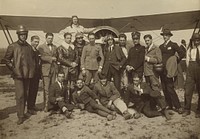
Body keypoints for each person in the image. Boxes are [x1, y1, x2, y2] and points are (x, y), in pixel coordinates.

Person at [4, 25, 36, 125]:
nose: (23, 36)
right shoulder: (13, 46)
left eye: (25, 35)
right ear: (18, 35)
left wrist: (32, 70)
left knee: (25, 94)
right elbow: (6, 60)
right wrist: (14, 69)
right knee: (20, 95)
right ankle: (20, 116)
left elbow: (32, 60)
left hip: (27, 74)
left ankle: (23, 112)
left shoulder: (29, 47)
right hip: (18, 75)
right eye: (21, 35)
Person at [159, 29, 185, 114]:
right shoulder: (161, 46)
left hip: (169, 71)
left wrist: (175, 60)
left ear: (169, 36)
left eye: (166, 35)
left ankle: (178, 106)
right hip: (162, 70)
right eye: (164, 35)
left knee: (170, 88)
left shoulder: (173, 45)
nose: (165, 37)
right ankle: (169, 105)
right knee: (164, 88)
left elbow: (182, 53)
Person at [38, 33, 58, 112]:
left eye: (51, 38)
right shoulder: (41, 47)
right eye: (49, 38)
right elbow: (42, 57)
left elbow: (56, 56)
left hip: (53, 70)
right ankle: (46, 106)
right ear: (46, 38)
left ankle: (52, 105)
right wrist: (51, 58)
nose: (50, 39)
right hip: (46, 70)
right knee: (46, 89)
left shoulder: (55, 47)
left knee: (52, 88)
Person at [56, 32, 79, 103]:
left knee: (72, 86)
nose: (69, 39)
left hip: (73, 69)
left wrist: (75, 63)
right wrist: (70, 63)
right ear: (64, 38)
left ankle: (72, 100)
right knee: (64, 86)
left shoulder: (73, 47)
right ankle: (65, 101)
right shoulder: (60, 48)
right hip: (64, 69)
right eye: (67, 38)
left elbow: (77, 56)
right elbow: (60, 58)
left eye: (70, 38)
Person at [182, 33, 200, 118]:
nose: (196, 42)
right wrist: (189, 72)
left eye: (198, 40)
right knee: (188, 91)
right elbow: (187, 62)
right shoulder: (189, 50)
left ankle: (199, 110)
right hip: (191, 71)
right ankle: (187, 109)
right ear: (192, 41)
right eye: (195, 40)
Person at [27, 35, 41, 115]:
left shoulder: (37, 51)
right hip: (30, 74)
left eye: (38, 42)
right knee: (30, 90)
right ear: (31, 41)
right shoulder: (29, 50)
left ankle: (33, 105)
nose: (36, 43)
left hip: (36, 74)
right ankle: (29, 108)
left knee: (35, 90)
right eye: (35, 41)